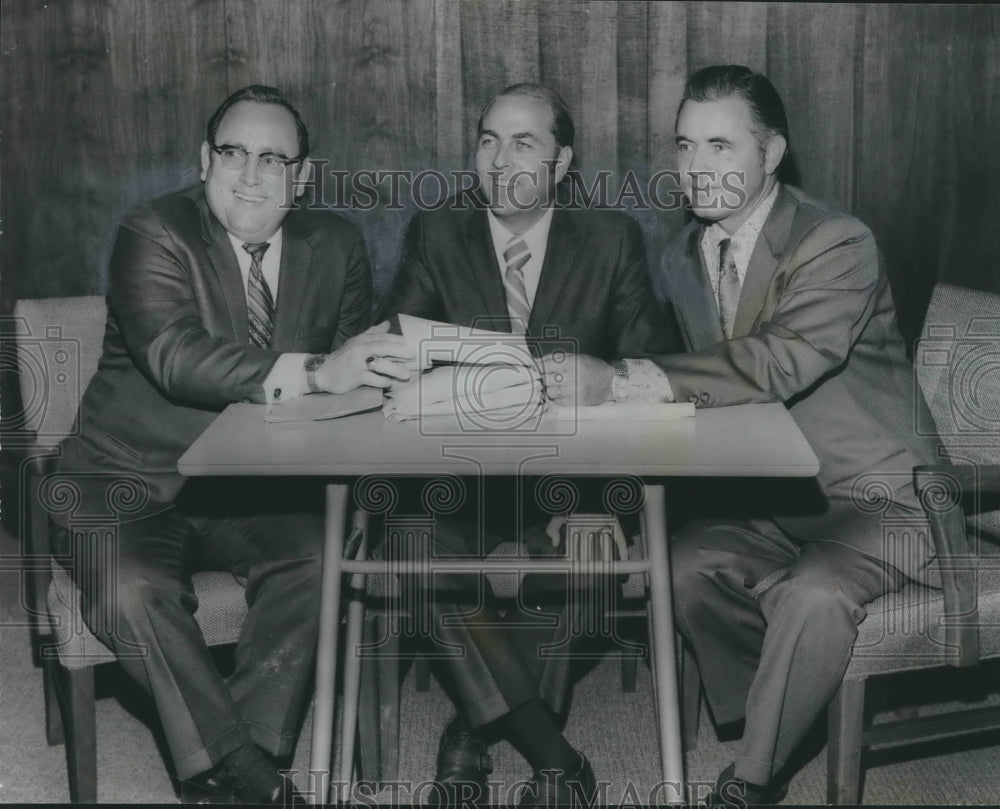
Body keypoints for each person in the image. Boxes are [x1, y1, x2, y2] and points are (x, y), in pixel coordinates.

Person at [50, 84, 413, 804]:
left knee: (322, 554)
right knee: (131, 591)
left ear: (301, 176)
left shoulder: (335, 244)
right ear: (204, 159)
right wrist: (315, 370)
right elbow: (174, 355)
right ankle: (251, 777)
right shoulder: (152, 230)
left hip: (256, 489)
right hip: (124, 483)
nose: (250, 175)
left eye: (273, 159)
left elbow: (351, 379)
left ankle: (238, 767)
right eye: (234, 154)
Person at [615, 65, 941, 804]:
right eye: (685, 146)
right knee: (683, 563)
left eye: (721, 147)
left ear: (772, 153)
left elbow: (783, 358)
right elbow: (723, 391)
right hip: (777, 495)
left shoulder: (836, 241)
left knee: (811, 596)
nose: (697, 169)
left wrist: (655, 378)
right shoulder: (682, 254)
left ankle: (754, 777)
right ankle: (797, 707)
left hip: (881, 500)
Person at [379, 82, 680, 806]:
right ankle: (556, 757)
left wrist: (604, 380)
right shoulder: (437, 231)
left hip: (577, 480)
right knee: (413, 539)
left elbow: (655, 367)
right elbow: (394, 352)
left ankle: (469, 733)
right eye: (488, 139)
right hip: (456, 477)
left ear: (562, 160)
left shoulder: (610, 237)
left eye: (524, 142)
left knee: (590, 550)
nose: (500, 158)